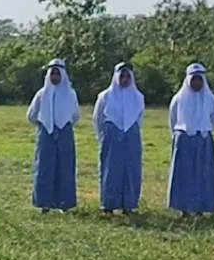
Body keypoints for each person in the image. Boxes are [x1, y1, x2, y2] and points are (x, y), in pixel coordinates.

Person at [27, 58, 81, 213]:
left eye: (58, 73)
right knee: (45, 167)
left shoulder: (70, 94)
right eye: (53, 73)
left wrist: (63, 126)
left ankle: (64, 203)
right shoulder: (41, 94)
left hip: (65, 133)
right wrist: (44, 124)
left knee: (64, 167)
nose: (55, 77)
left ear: (63, 75)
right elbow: (31, 115)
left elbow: (76, 115)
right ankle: (44, 203)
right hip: (46, 134)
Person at [92, 62, 145, 214]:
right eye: (122, 76)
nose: (125, 79)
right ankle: (108, 204)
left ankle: (128, 204)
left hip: (131, 136)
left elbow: (140, 118)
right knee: (111, 169)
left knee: (131, 169)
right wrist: (103, 136)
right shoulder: (105, 96)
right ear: (116, 77)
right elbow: (98, 118)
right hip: (111, 136)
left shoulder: (138, 97)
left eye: (128, 76)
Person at [167, 63, 214, 217]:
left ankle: (201, 207)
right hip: (184, 138)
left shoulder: (210, 99)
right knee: (184, 174)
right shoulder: (179, 98)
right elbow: (173, 118)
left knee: (203, 174)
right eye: (194, 79)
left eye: (199, 79)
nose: (197, 83)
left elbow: (213, 118)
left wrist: (203, 130)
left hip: (203, 138)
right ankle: (184, 207)